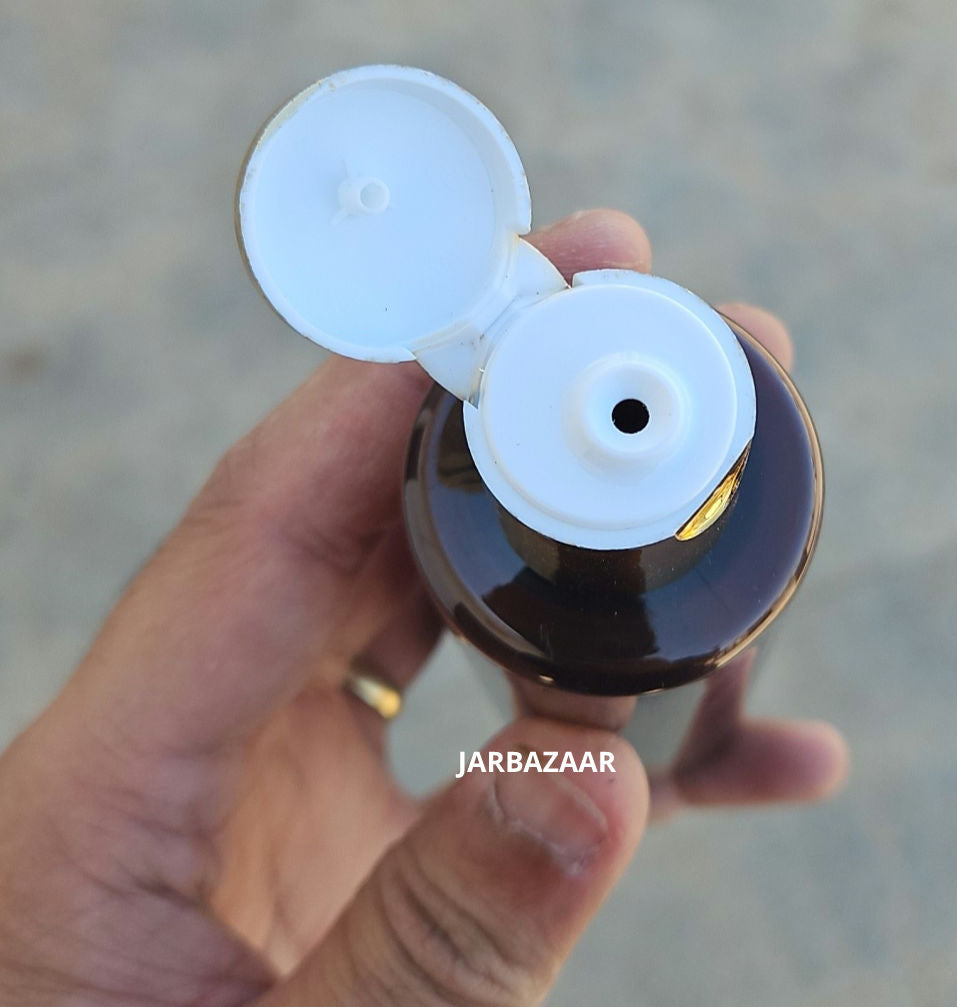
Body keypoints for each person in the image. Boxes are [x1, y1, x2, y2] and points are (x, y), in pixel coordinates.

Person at [0, 211, 848, 1006]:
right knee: (626, 748)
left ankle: (676, 751)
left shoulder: (754, 466)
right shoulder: (459, 485)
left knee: (665, 737)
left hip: (642, 729)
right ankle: (667, 753)